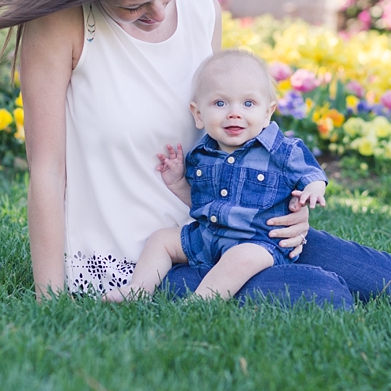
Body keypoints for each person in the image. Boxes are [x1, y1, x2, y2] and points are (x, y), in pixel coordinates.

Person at [0, 0, 391, 309]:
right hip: (139, 256)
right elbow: (47, 169)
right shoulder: (63, 25)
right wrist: (48, 297)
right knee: (323, 295)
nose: (159, 10)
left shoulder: (203, 11)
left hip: (232, 227)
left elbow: (228, 136)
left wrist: (291, 207)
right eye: (133, 5)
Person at [105, 50, 329, 301]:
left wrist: (314, 189)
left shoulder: (281, 150)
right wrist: (179, 182)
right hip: (207, 237)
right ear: (198, 114)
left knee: (240, 258)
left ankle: (201, 302)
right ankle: (138, 288)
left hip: (257, 243)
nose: (234, 113)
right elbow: (202, 201)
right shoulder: (201, 155)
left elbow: (312, 173)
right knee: (161, 239)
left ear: (267, 113)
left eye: (248, 104)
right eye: (220, 103)